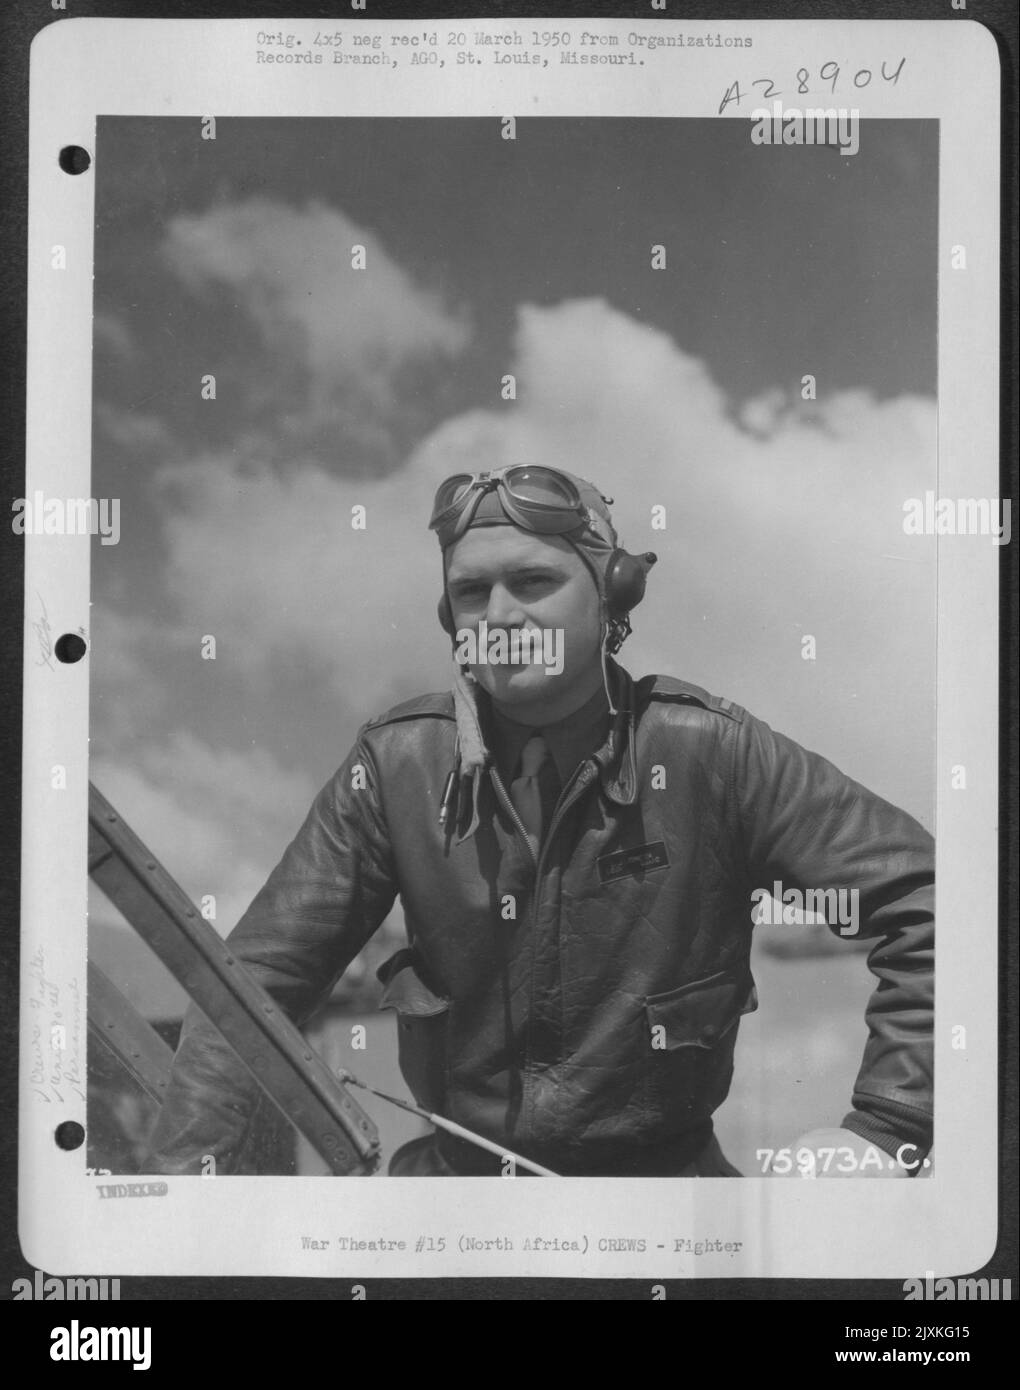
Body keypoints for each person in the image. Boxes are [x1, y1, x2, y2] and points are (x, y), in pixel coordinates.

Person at [146, 466, 934, 1178]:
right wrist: (186, 1199)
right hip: (454, 1200)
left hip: (668, 1199)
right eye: (470, 591)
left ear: (611, 595)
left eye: (533, 581)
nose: (500, 614)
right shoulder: (396, 768)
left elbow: (932, 904)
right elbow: (247, 990)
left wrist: (888, 1125)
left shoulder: (711, 753)